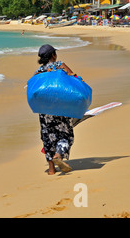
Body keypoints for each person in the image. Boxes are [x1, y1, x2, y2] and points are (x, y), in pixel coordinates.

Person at [34, 44, 76, 175]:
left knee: (47, 137)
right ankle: (58, 155)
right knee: (65, 135)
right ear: (53, 55)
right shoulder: (60, 65)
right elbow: (73, 79)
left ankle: (51, 169)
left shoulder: (38, 72)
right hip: (61, 107)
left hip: (44, 110)